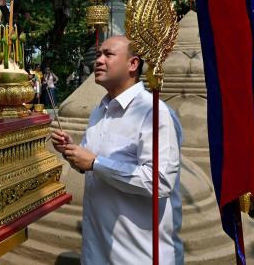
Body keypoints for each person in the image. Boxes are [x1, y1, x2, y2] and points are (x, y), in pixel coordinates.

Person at [51, 35, 183, 264]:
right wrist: (72, 151)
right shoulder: (100, 110)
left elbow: (161, 181)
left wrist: (95, 163)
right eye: (99, 54)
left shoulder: (153, 112)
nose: (98, 60)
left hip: (139, 254)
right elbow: (89, 159)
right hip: (98, 249)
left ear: (133, 64)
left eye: (108, 54)